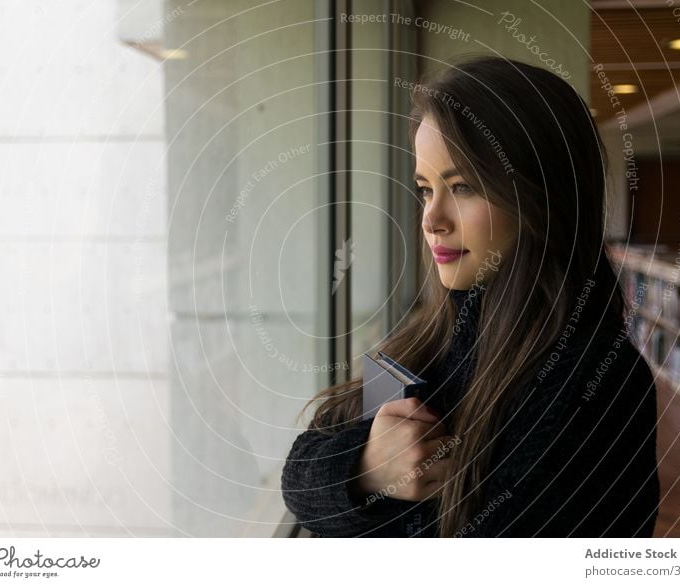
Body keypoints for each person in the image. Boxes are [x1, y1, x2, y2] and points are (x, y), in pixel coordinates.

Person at [280, 54, 660, 538]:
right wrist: (366, 470)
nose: (431, 218)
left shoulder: (594, 382)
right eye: (424, 189)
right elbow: (299, 473)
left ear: (542, 198)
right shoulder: (426, 338)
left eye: (462, 187)